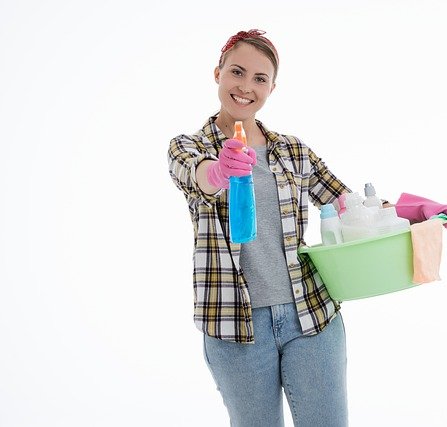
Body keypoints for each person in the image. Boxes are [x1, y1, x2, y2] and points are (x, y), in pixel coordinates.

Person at [167, 29, 350, 426]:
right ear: (218, 73)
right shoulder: (188, 146)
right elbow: (195, 175)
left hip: (311, 315)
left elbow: (347, 204)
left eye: (260, 78)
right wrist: (218, 171)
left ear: (272, 87)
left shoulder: (294, 150)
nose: (246, 87)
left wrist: (410, 212)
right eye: (237, 72)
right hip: (234, 325)